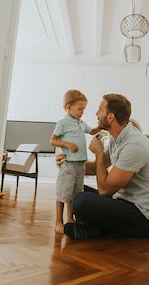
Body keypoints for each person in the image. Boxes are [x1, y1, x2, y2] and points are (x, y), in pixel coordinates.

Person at [60, 93, 149, 240]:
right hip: (123, 203)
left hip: (142, 219)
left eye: (99, 110)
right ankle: (95, 229)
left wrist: (99, 153)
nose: (96, 114)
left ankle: (95, 228)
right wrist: (69, 162)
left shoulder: (133, 146)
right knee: (74, 187)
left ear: (110, 117)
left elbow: (104, 190)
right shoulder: (117, 138)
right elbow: (97, 167)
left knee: (81, 201)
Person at [50, 89, 99, 234]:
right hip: (69, 165)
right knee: (63, 193)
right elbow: (53, 140)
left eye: (84, 109)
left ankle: (70, 218)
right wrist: (67, 144)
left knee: (75, 193)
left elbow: (92, 131)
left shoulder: (81, 123)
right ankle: (59, 220)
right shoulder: (63, 122)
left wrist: (103, 126)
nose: (82, 112)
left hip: (80, 165)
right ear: (68, 107)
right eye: (80, 109)